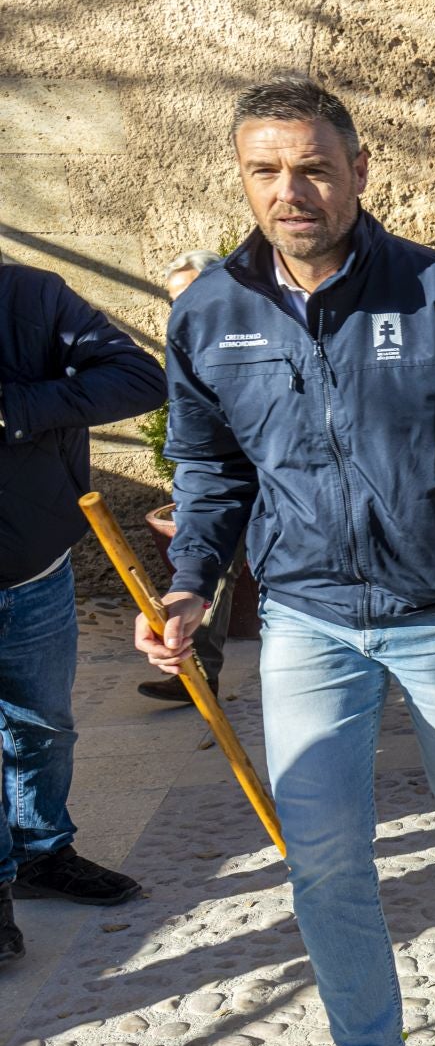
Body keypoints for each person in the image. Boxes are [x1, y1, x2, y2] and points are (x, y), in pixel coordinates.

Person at [134, 75, 435, 1046]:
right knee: (323, 855)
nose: (293, 190)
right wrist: (188, 581)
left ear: (359, 170)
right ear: (243, 176)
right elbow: (210, 467)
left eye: (315, 166)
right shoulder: (209, 313)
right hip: (308, 617)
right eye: (267, 169)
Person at [0, 262, 167, 966]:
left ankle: (43, 853)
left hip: (33, 561)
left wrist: (18, 408)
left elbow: (138, 377)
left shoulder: (28, 296)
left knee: (42, 725)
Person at [140, 249, 245, 705]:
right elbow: (201, 456)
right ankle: (197, 673)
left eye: (192, 295)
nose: (183, 309)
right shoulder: (189, 354)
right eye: (174, 301)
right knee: (211, 576)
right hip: (226, 489)